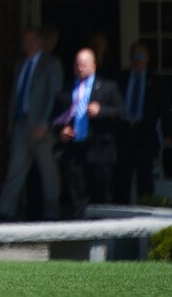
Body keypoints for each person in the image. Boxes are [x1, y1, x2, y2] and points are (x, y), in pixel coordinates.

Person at [0, 28, 63, 221]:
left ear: (40, 41)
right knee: (15, 170)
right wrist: (11, 122)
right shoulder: (20, 64)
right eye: (25, 41)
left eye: (32, 40)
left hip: (41, 128)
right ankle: (4, 211)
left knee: (48, 174)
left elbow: (53, 95)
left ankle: (52, 212)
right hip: (21, 126)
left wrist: (46, 123)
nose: (28, 44)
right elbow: (14, 97)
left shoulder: (51, 64)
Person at [52, 48, 125, 219]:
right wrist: (61, 131)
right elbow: (56, 118)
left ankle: (104, 240)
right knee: (78, 198)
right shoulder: (67, 89)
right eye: (77, 64)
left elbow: (121, 113)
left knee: (101, 198)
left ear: (94, 65)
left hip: (99, 151)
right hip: (75, 150)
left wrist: (101, 111)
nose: (80, 67)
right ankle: (81, 237)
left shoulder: (108, 87)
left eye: (84, 64)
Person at [114, 41, 169, 203]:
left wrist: (167, 133)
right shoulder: (121, 78)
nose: (137, 60)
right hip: (124, 132)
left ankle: (146, 212)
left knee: (145, 177)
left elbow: (164, 108)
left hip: (145, 133)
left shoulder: (157, 81)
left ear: (148, 58)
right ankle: (120, 214)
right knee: (122, 177)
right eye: (134, 56)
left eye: (141, 56)